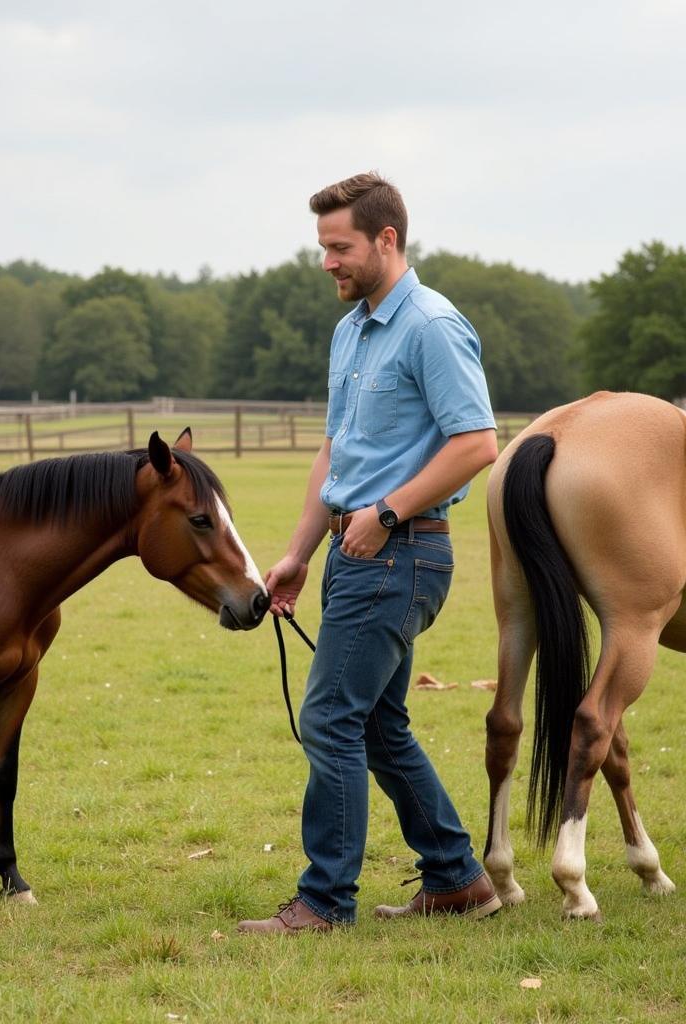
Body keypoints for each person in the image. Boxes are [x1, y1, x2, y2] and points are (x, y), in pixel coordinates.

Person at [238, 172, 501, 934]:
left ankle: (323, 902)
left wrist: (386, 514)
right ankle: (455, 877)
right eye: (322, 247)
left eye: (340, 246)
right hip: (357, 550)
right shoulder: (351, 329)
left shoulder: (431, 325)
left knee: (328, 717)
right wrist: (297, 553)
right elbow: (337, 451)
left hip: (401, 552)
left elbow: (479, 442)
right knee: (378, 725)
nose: (327, 261)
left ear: (387, 239)